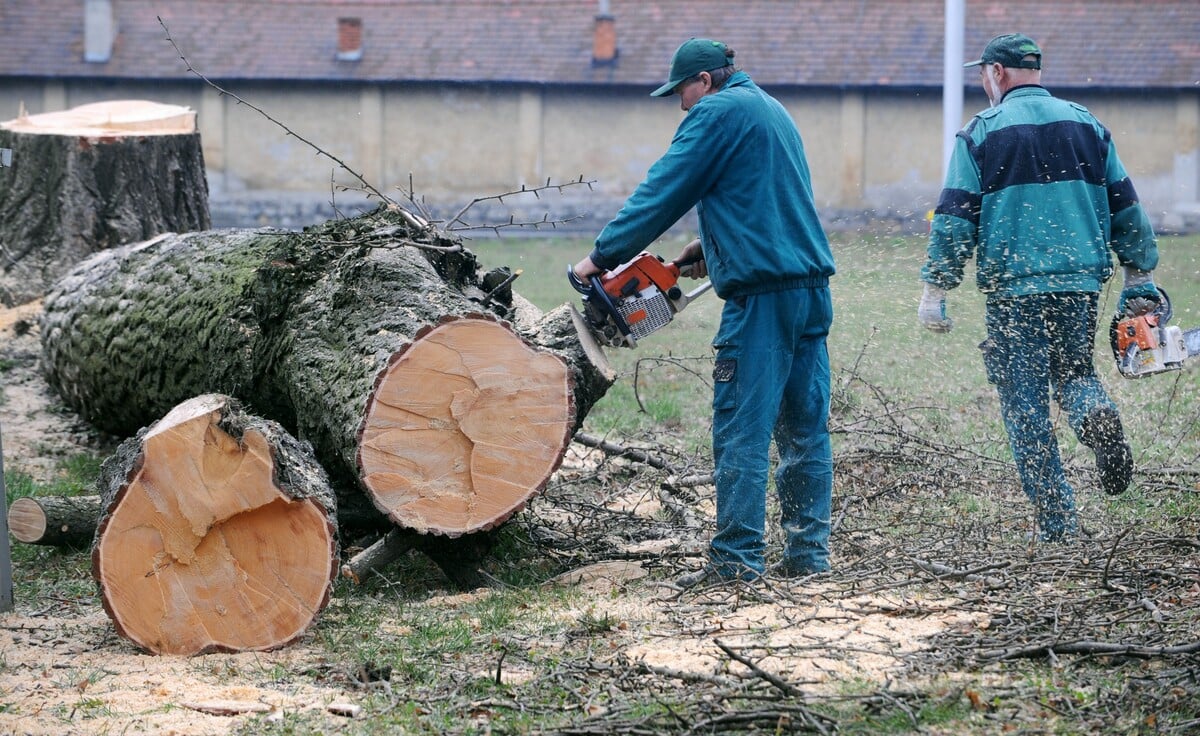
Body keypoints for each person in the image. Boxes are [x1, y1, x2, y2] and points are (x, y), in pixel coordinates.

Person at [570, 38, 836, 586]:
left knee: (741, 424)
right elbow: (766, 198)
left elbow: (664, 191)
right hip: (807, 288)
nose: (681, 106)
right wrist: (709, 251)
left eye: (682, 93)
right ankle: (809, 556)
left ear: (706, 81)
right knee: (804, 429)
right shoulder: (770, 109)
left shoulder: (715, 112)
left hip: (761, 300)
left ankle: (737, 563)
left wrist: (599, 258)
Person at [919, 33, 1160, 542]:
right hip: (1080, 284)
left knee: (1024, 401)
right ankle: (1095, 411)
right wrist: (1139, 273)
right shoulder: (1087, 124)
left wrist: (936, 289)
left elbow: (956, 217)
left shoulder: (980, 132)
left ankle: (1059, 526)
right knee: (1074, 372)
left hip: (1013, 291)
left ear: (997, 74)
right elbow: (1125, 204)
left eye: (982, 74)